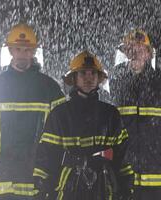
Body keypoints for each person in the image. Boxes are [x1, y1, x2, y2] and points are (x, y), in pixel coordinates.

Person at [0, 23, 65, 200]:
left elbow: (62, 135)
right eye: (18, 49)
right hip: (2, 186)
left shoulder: (50, 89)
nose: (22, 54)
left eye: (27, 49)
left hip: (38, 184)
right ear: (10, 51)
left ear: (34, 51)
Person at [33, 50, 130, 200]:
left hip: (103, 190)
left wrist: (127, 187)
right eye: (83, 73)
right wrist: (41, 186)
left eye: (93, 73)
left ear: (99, 79)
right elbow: (47, 155)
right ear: (74, 78)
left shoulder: (111, 114)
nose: (88, 78)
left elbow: (122, 157)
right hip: (68, 190)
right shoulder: (59, 115)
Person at [109, 29, 161, 199]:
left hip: (157, 180)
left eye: (139, 48)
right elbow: (111, 130)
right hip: (124, 178)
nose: (134, 52)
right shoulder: (117, 86)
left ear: (149, 53)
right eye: (130, 49)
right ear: (126, 53)